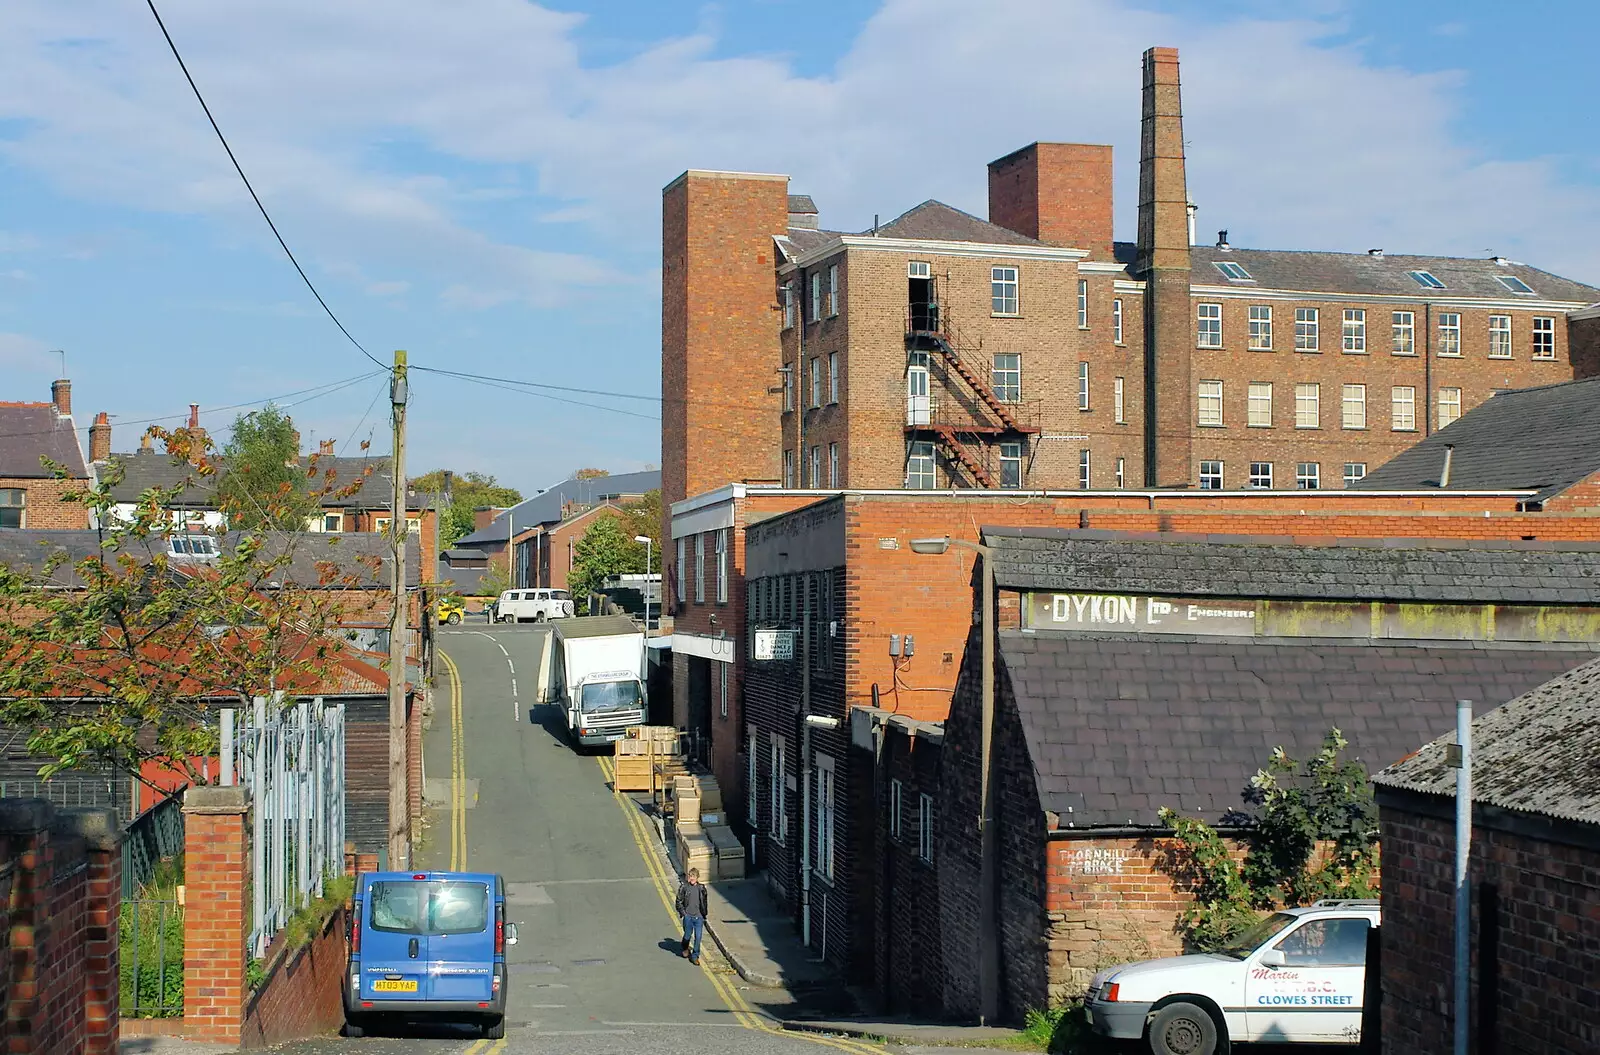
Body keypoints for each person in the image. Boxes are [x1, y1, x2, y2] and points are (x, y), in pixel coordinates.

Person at [674, 867, 708, 965]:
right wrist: (684, 913)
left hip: (699, 917)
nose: (692, 878)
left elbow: (704, 902)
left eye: (694, 876)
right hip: (688, 917)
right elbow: (678, 901)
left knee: (698, 937)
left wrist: (704, 913)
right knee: (687, 935)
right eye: (690, 876)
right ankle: (685, 947)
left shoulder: (701, 888)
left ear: (697, 877)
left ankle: (695, 956)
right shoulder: (684, 887)